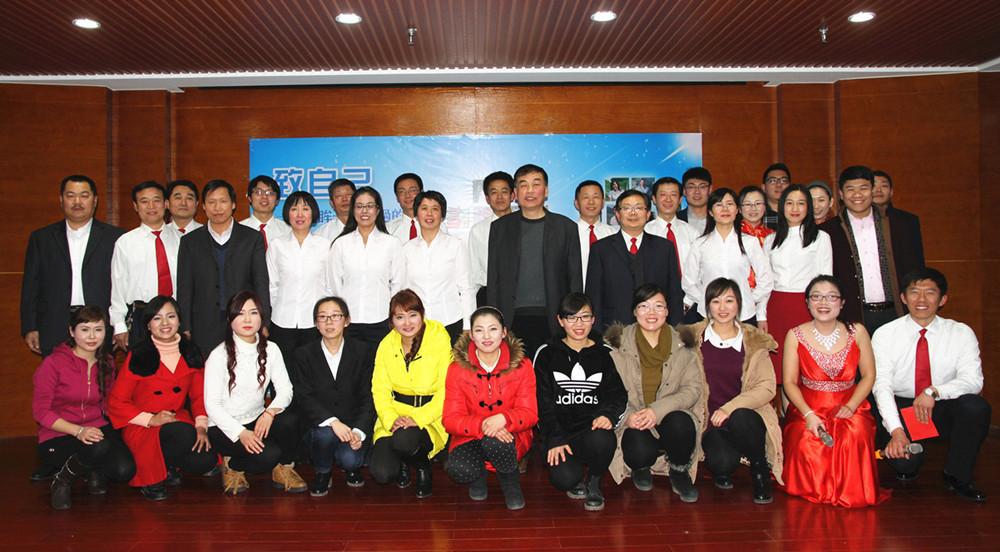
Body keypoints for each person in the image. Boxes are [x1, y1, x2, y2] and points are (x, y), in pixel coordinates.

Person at [872, 268, 990, 502]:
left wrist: (934, 391)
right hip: (901, 406)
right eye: (914, 292)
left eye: (930, 292)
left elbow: (973, 380)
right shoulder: (885, 334)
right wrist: (896, 432)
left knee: (975, 407)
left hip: (939, 405)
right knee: (905, 465)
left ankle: (957, 476)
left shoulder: (960, 333)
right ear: (903, 298)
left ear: (943, 299)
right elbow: (881, 386)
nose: (922, 299)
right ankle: (911, 459)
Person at [781, 276, 889, 507]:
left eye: (831, 297)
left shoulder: (857, 331)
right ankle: (814, 488)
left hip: (850, 401)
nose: (823, 302)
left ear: (842, 303)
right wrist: (808, 414)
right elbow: (789, 382)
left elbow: (869, 375)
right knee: (805, 436)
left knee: (856, 432)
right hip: (808, 405)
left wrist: (851, 406)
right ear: (807, 302)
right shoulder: (795, 334)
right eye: (816, 297)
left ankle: (853, 491)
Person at [107, 296, 216, 501]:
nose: (165, 323)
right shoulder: (138, 354)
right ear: (148, 325)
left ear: (179, 321)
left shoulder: (191, 352)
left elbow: (199, 396)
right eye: (157, 318)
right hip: (142, 424)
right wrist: (151, 419)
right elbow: (116, 402)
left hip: (177, 418)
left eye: (171, 316)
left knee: (206, 459)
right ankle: (153, 477)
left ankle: (168, 464)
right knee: (183, 434)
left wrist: (201, 426)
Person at [686, 278, 783, 504]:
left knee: (741, 417)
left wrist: (729, 408)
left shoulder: (754, 340)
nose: (722, 308)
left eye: (729, 301)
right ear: (707, 305)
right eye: (716, 301)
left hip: (747, 416)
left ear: (739, 304)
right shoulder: (691, 338)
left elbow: (767, 387)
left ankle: (759, 468)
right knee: (722, 463)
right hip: (711, 421)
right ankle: (727, 460)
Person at [604, 284, 703, 502]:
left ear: (667, 311)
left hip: (669, 418)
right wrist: (628, 416)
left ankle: (679, 470)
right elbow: (608, 392)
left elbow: (693, 389)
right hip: (635, 420)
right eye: (644, 306)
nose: (651, 313)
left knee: (680, 423)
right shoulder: (616, 346)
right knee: (637, 446)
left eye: (658, 306)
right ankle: (640, 467)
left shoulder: (683, 345)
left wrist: (656, 411)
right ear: (634, 311)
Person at [32, 306, 135, 510]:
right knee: (99, 446)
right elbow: (41, 412)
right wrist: (79, 431)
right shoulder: (53, 363)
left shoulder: (107, 362)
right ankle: (63, 479)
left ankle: (92, 469)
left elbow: (110, 403)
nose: (92, 336)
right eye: (85, 329)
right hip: (59, 433)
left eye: (98, 329)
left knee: (124, 471)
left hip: (96, 427)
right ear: (72, 331)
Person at [204, 291, 305, 495]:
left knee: (291, 420)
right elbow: (212, 405)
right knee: (268, 456)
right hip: (225, 427)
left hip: (256, 419)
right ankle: (233, 464)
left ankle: (283, 469)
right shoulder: (218, 355)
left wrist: (269, 413)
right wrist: (240, 433)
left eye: (253, 313)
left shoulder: (272, 349)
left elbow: (286, 389)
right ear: (230, 319)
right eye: (240, 314)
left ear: (262, 317)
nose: (248, 320)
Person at [535, 293, 627, 511]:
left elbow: (618, 395)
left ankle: (594, 481)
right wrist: (554, 438)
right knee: (564, 479)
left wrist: (608, 415)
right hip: (560, 433)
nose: (579, 324)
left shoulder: (606, 353)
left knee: (603, 439)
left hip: (591, 432)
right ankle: (574, 474)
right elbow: (541, 402)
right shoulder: (546, 353)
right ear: (560, 320)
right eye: (571, 317)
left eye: (585, 317)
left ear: (593, 319)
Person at [443, 306, 537, 510]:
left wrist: (504, 419)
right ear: (471, 335)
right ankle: (478, 476)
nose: (486, 336)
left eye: (493, 329)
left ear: (504, 332)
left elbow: (530, 414)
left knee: (496, 442)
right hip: (471, 434)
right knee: (458, 469)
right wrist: (484, 425)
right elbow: (450, 419)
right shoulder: (457, 369)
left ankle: (510, 481)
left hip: (512, 434)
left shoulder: (522, 365)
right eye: (479, 330)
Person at [22, 174, 124, 358]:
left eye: (84, 196)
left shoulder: (115, 237)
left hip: (100, 323)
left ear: (95, 200)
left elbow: (124, 284)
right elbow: (31, 286)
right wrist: (30, 327)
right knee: (57, 374)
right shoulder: (42, 238)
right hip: (54, 324)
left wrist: (120, 325)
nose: (77, 202)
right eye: (71, 196)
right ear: (61, 200)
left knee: (99, 374)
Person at [487, 164, 583, 358]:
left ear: (546, 191)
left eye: (536, 184)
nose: (530, 191)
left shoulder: (566, 227)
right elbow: (493, 278)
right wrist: (493, 319)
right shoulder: (500, 228)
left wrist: (574, 317)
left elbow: (574, 277)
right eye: (523, 185)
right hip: (512, 318)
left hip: (554, 317)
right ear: (515, 193)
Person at [819, 166, 924, 332]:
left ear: (872, 190)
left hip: (897, 312)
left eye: (863, 188)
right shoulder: (827, 231)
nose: (857, 195)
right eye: (850, 189)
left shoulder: (903, 223)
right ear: (841, 194)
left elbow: (916, 270)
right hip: (852, 315)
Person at [370, 290, 452, 498]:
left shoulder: (438, 336)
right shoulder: (386, 345)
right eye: (400, 317)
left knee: (404, 441)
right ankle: (404, 461)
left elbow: (447, 388)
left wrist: (419, 418)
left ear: (422, 315)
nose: (407, 323)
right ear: (392, 321)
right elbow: (379, 389)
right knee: (382, 473)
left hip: (430, 415)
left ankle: (422, 466)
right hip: (395, 414)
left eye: (412, 315)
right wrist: (391, 419)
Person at [291, 296, 374, 497]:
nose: (329, 322)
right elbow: (304, 396)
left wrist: (359, 431)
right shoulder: (303, 354)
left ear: (347, 320)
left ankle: (351, 467)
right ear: (316, 323)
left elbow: (369, 396)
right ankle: (322, 472)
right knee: (325, 435)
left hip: (353, 425)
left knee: (350, 459)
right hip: (319, 427)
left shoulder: (363, 351)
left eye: (335, 316)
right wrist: (333, 422)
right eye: (323, 317)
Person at [176, 179, 269, 356]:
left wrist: (264, 322)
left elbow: (261, 282)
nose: (217, 208)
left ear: (233, 204)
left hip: (243, 319)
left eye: (223, 201)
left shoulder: (252, 238)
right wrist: (185, 326)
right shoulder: (190, 241)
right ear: (203, 206)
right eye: (211, 202)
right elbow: (185, 287)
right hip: (204, 322)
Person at [763, 185, 832, 383]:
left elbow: (826, 280)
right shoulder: (770, 239)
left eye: (801, 203)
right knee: (782, 370)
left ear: (808, 207)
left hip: (807, 306)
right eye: (789, 203)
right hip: (776, 306)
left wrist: (824, 312)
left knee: (808, 366)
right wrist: (761, 315)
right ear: (781, 207)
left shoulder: (821, 238)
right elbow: (765, 281)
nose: (795, 208)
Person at [587, 190, 683, 330]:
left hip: (656, 327)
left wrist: (676, 330)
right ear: (617, 214)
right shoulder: (600, 249)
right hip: (614, 329)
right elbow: (594, 295)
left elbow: (674, 293)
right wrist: (596, 333)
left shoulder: (664, 247)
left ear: (648, 214)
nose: (633, 213)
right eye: (626, 208)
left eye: (638, 208)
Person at [327, 186, 405, 348]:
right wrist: (341, 315)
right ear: (353, 210)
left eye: (370, 206)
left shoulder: (391, 243)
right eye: (359, 206)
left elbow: (399, 283)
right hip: (348, 323)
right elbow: (333, 284)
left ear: (378, 210)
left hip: (382, 321)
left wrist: (393, 314)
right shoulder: (341, 244)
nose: (364, 211)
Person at [683, 188, 773, 326]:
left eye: (730, 204)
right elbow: (688, 282)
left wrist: (746, 299)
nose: (725, 209)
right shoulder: (700, 244)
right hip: (708, 315)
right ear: (710, 212)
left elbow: (766, 279)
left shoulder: (750, 242)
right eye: (719, 205)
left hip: (743, 314)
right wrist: (706, 300)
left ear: (737, 210)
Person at [110, 181, 179, 351]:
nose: (151, 206)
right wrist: (119, 325)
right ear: (136, 206)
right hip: (141, 316)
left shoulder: (182, 240)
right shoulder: (125, 243)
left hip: (176, 315)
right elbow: (118, 287)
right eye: (144, 201)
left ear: (166, 204)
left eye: (156, 200)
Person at [402, 190, 475, 344]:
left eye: (435, 209)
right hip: (417, 325)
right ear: (416, 214)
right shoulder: (406, 249)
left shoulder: (455, 245)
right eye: (424, 208)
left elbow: (467, 288)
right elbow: (403, 290)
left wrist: (468, 326)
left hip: (451, 321)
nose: (429, 214)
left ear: (442, 215)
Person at [266, 191, 330, 363]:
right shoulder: (277, 245)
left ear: (313, 213)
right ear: (287, 213)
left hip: (314, 323)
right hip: (282, 321)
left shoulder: (324, 246)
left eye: (305, 209)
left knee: (312, 370)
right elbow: (272, 285)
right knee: (283, 370)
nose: (300, 214)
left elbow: (329, 285)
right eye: (294, 209)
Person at [645, 177, 699, 316]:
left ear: (680, 199)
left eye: (673, 195)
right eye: (663, 195)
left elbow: (700, 269)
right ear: (654, 199)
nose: (668, 200)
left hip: (690, 301)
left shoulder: (692, 233)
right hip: (652, 303)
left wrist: (687, 302)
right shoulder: (645, 231)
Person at [468, 171, 514, 306]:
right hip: (489, 295)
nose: (499, 197)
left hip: (521, 295)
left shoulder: (525, 226)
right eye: (494, 192)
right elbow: (473, 271)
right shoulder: (478, 230)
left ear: (513, 195)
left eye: (504, 191)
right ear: (487, 199)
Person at [872, 170, 925, 267]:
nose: (878, 190)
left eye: (884, 186)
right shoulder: (858, 220)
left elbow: (916, 258)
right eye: (873, 186)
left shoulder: (908, 220)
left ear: (891, 192)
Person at [574, 180, 615, 288]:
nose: (591, 202)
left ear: (603, 202)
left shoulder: (613, 234)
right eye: (586, 197)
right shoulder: (568, 233)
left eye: (596, 197)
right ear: (577, 203)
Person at [240, 175, 291, 249]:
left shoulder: (288, 231)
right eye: (258, 192)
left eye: (270, 193)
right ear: (250, 198)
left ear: (277, 201)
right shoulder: (238, 231)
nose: (264, 197)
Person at [386, 173, 424, 241]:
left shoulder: (437, 225)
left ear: (422, 193)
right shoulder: (388, 230)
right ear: (397, 197)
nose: (407, 195)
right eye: (402, 192)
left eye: (412, 190)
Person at [676, 167, 712, 235]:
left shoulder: (719, 218)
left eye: (702, 187)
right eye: (691, 187)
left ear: (710, 189)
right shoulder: (675, 219)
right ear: (684, 191)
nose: (697, 192)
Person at [762, 163, 792, 230]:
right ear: (764, 187)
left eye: (783, 181)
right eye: (773, 181)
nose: (779, 185)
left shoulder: (797, 211)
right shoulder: (756, 212)